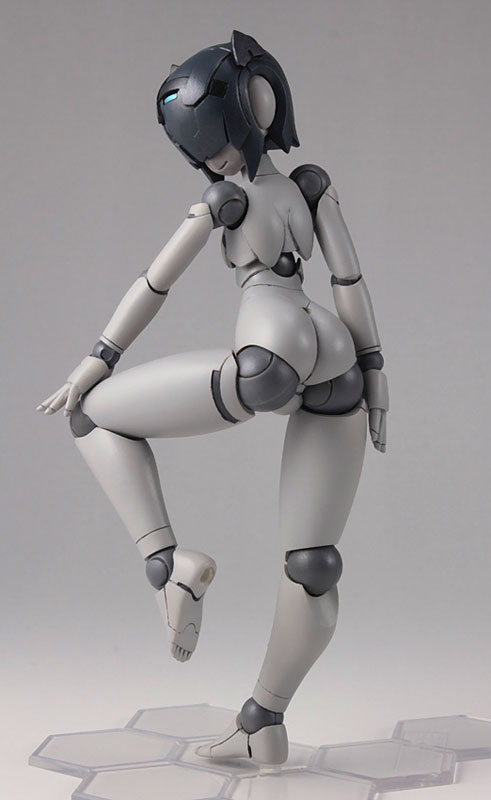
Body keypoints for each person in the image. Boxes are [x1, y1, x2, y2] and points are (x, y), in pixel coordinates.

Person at [38, 30, 389, 765]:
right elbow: (347, 283)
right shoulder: (310, 186)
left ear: (252, 110)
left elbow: (154, 282)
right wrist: (376, 375)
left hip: (266, 354)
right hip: (334, 361)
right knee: (313, 564)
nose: (212, 158)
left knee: (91, 414)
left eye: (212, 142)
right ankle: (263, 721)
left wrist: (98, 358)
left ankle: (167, 567)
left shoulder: (224, 200)